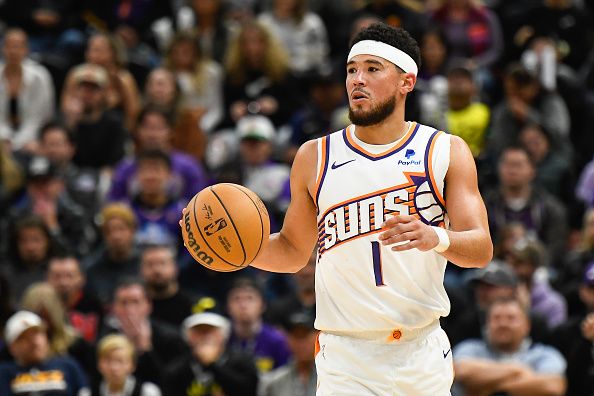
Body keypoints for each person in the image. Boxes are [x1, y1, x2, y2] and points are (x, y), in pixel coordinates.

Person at [190, 22, 493, 394]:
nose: (357, 80)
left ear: (406, 82)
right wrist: (235, 249)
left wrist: (437, 237)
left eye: (372, 68)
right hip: (345, 357)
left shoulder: (445, 151)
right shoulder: (314, 156)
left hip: (421, 352)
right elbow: (291, 251)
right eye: (351, 70)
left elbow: (481, 249)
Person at [452, 297, 566, 396]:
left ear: (527, 325)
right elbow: (460, 372)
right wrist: (517, 370)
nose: (503, 324)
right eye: (496, 318)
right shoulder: (469, 348)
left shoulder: (545, 354)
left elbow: (553, 386)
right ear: (487, 325)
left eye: (511, 318)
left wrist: (482, 386)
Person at [163, 310, 259, 396]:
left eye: (211, 331)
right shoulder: (177, 368)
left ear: (223, 335)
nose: (205, 337)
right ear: (188, 337)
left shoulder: (242, 361)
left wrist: (211, 365)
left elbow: (248, 390)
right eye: (199, 332)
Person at [0, 310, 90, 396]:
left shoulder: (68, 365)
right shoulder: (4, 372)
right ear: (12, 347)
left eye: (36, 333)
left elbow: (84, 392)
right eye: (24, 337)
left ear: (46, 336)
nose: (33, 341)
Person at [0, 28, 54, 154]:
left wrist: (19, 142)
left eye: (18, 46)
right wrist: (5, 138)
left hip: (33, 137)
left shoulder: (40, 76)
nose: (13, 51)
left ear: (26, 49)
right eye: (9, 46)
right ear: (3, 48)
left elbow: (40, 117)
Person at [226, 278, 291, 374]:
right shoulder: (222, 339)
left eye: (250, 298)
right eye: (237, 299)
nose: (243, 305)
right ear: (228, 307)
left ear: (262, 305)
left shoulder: (277, 341)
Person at [47, 255, 104, 343]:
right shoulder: (42, 308)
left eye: (69, 276)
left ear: (82, 278)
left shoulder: (95, 306)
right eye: (57, 276)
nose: (63, 282)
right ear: (47, 278)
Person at [260, 310, 317, 396]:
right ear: (288, 339)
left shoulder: (331, 378)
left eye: (304, 336)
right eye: (296, 336)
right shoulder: (273, 382)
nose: (301, 344)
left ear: (316, 337)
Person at [140, 243, 193, 327]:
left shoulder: (191, 304)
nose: (157, 270)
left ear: (175, 268)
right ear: (141, 270)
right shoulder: (136, 305)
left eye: (162, 263)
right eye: (150, 264)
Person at [93, 334, 161, 396]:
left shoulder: (148, 392)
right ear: (99, 364)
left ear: (132, 365)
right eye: (108, 361)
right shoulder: (87, 393)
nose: (114, 367)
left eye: (120, 361)